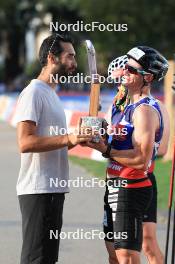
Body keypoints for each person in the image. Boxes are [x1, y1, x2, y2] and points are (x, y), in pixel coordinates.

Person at [14, 33, 93, 264]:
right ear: (52, 57)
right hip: (38, 189)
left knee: (47, 259)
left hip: (53, 189)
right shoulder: (33, 93)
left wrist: (76, 139)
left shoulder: (51, 94)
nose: (74, 63)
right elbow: (25, 143)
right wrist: (68, 137)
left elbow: (55, 144)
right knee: (35, 259)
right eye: (69, 56)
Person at [85, 46, 169, 264]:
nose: (124, 71)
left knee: (127, 257)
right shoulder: (126, 106)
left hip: (130, 188)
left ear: (148, 77)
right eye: (124, 66)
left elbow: (142, 159)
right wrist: (101, 132)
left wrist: (106, 149)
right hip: (114, 185)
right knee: (114, 254)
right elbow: (120, 141)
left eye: (131, 69)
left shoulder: (145, 110)